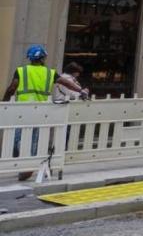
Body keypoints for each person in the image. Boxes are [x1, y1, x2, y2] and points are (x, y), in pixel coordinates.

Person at [3, 45, 88, 180]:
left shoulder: (21, 71)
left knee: (17, 137)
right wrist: (81, 90)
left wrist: (4, 102)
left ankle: (25, 165)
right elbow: (66, 82)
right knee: (34, 139)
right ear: (42, 58)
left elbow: (12, 88)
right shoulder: (50, 73)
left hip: (22, 111)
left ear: (30, 58)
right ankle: (27, 165)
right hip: (41, 111)